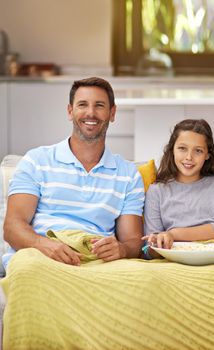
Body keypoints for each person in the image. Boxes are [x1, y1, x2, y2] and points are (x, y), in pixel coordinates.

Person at [2, 77, 144, 268]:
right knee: (29, 269)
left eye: (99, 105)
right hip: (40, 257)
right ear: (70, 111)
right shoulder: (37, 161)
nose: (91, 113)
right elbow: (12, 228)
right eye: (82, 105)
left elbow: (133, 241)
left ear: (112, 113)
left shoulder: (128, 174)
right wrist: (44, 245)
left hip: (96, 263)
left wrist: (123, 249)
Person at [143, 118, 214, 256]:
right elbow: (149, 249)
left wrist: (174, 234)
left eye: (198, 151)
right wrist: (156, 244)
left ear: (208, 155)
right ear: (172, 150)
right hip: (172, 258)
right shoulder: (156, 190)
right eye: (182, 148)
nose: (189, 157)